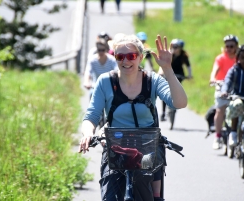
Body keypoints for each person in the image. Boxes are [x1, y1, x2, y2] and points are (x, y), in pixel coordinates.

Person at [79, 34, 187, 201]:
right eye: (120, 56)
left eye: (131, 56)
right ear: (114, 57)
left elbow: (179, 103)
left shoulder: (153, 80)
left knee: (147, 189)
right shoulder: (105, 81)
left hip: (147, 146)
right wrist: (87, 133)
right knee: (110, 195)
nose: (125, 61)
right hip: (115, 148)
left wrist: (167, 69)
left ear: (141, 57)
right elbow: (92, 115)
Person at [210, 34, 239, 149]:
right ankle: (217, 136)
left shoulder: (240, 58)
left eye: (231, 46)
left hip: (236, 88)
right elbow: (215, 69)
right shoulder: (220, 58)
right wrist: (213, 79)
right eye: (227, 46)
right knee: (220, 109)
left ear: (236, 47)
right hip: (221, 87)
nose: (229, 49)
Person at [158, 38, 192, 121]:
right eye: (173, 46)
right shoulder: (170, 54)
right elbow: (163, 65)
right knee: (166, 93)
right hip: (169, 74)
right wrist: (161, 72)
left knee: (177, 90)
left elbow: (188, 66)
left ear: (181, 48)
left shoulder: (184, 56)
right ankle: (163, 112)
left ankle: (176, 103)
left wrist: (190, 75)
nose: (175, 48)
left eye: (176, 47)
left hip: (179, 74)